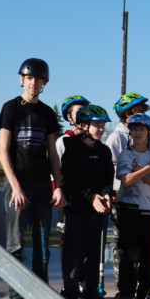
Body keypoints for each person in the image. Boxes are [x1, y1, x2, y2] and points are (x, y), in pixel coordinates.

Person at [0, 57, 65, 299]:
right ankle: (16, 297)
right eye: (29, 78)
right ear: (21, 80)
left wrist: (58, 186)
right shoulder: (10, 108)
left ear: (44, 82)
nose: (33, 83)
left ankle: (40, 294)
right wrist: (15, 187)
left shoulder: (47, 113)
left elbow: (53, 155)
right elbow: (2, 152)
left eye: (38, 79)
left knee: (42, 243)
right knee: (16, 242)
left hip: (41, 185)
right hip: (17, 184)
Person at [60, 105, 114, 299]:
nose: (100, 129)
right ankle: (71, 293)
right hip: (76, 209)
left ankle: (91, 293)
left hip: (98, 211)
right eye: (96, 125)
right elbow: (71, 178)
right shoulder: (71, 146)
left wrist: (107, 194)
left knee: (94, 254)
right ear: (84, 125)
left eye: (102, 125)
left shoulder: (104, 150)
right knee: (73, 253)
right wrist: (91, 197)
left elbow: (108, 178)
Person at [113, 113, 150, 299]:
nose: (137, 133)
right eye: (134, 129)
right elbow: (125, 180)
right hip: (128, 208)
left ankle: (145, 294)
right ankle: (126, 294)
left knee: (147, 256)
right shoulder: (125, 155)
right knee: (128, 254)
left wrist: (141, 173)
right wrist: (148, 170)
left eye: (142, 129)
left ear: (149, 133)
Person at [106, 92, 150, 299]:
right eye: (139, 109)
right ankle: (124, 289)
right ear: (127, 112)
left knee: (146, 248)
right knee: (126, 248)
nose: (143, 112)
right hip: (124, 199)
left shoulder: (147, 137)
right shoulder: (116, 137)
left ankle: (144, 288)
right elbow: (113, 168)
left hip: (145, 199)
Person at [54, 95, 90, 238]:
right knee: (68, 246)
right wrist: (58, 191)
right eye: (79, 112)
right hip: (69, 202)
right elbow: (56, 171)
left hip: (88, 203)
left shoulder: (93, 142)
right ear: (69, 117)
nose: (83, 115)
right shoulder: (63, 141)